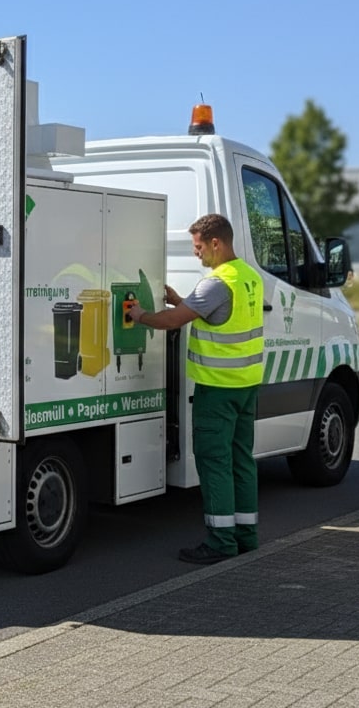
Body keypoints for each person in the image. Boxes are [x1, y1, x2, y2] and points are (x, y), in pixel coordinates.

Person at [128, 213, 264, 565]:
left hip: (216, 390)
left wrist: (140, 314)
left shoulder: (216, 282)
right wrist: (179, 299)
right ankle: (245, 534)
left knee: (214, 462)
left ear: (216, 243)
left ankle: (220, 541)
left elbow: (173, 323)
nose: (196, 254)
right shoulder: (248, 277)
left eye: (198, 246)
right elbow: (217, 313)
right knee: (241, 461)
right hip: (246, 387)